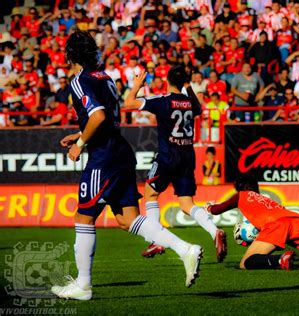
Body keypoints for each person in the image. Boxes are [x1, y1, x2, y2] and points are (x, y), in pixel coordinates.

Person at [51, 31, 203, 301]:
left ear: (70, 55)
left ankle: (83, 285)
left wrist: (81, 142)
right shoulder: (105, 77)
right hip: (120, 151)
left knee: (83, 218)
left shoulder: (79, 80)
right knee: (128, 219)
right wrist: (81, 133)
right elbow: (109, 115)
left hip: (103, 157)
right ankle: (185, 249)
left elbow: (97, 115)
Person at [124, 65, 227, 262]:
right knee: (187, 204)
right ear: (185, 83)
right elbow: (198, 108)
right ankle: (214, 231)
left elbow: (128, 104)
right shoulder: (190, 102)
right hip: (187, 156)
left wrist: (137, 85)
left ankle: (156, 239)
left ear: (166, 81)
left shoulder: (163, 101)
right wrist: (187, 86)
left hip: (167, 155)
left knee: (150, 193)